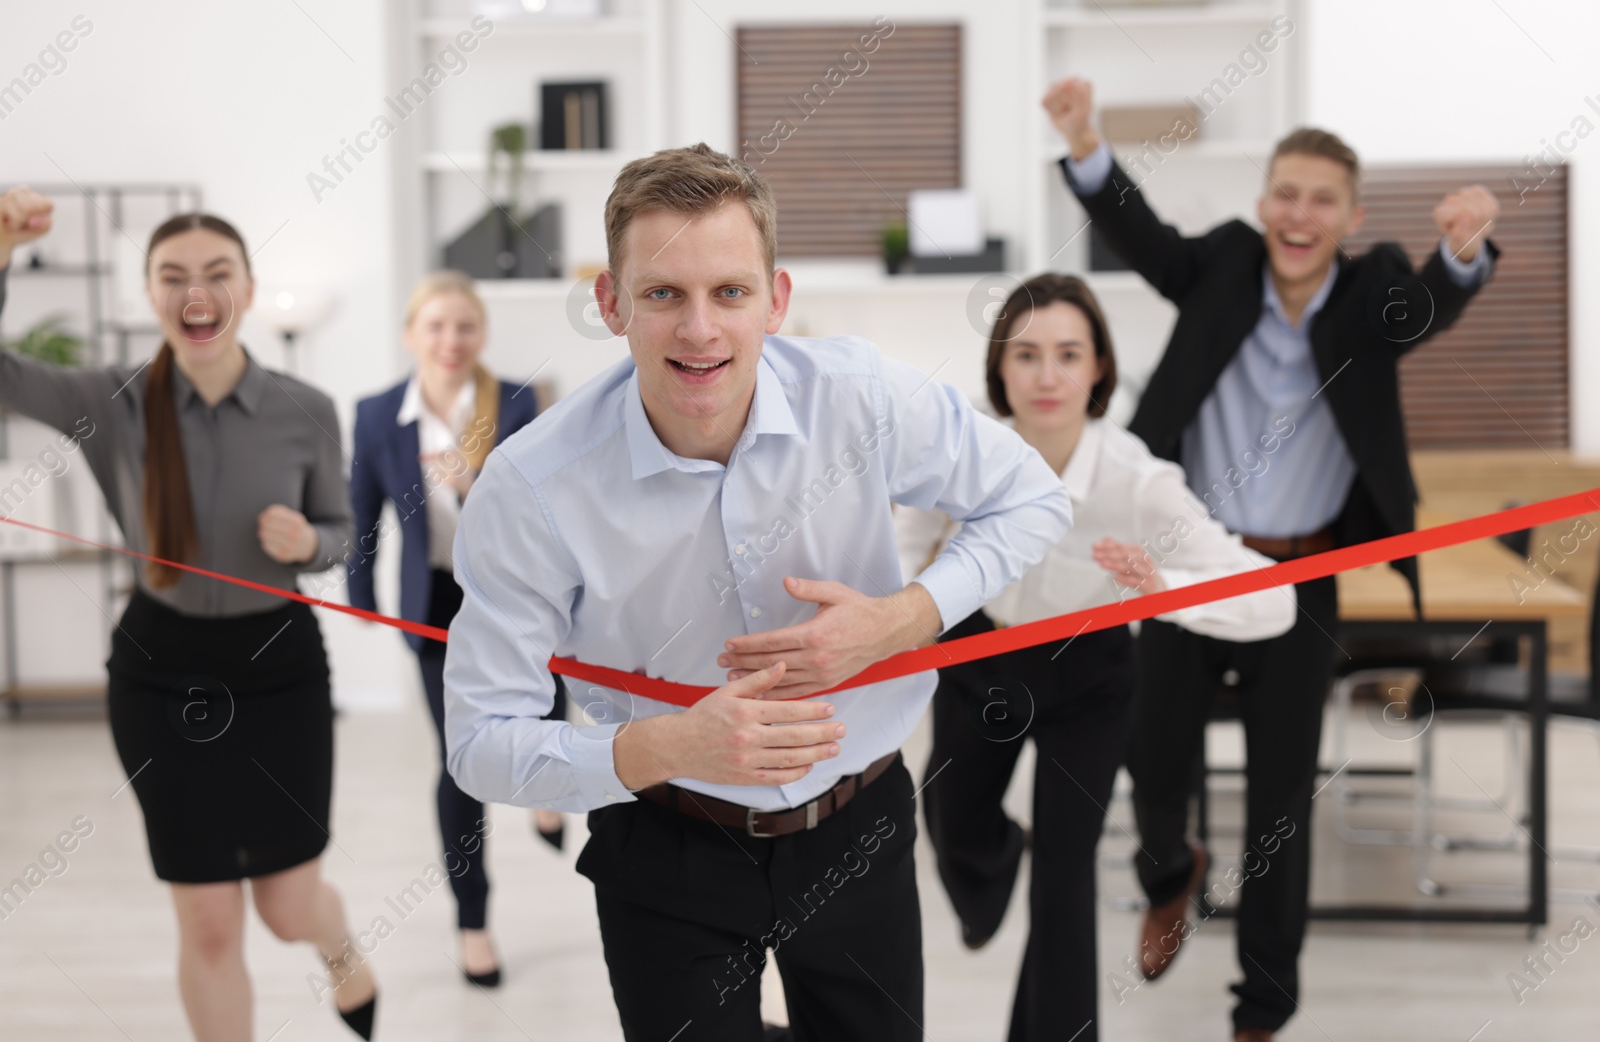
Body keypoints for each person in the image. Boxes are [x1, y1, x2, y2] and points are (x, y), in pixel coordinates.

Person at [440, 142, 1073, 1041]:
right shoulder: (532, 484)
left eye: (729, 292)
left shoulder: (860, 396)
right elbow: (478, 742)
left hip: (858, 828)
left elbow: (1033, 497)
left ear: (775, 300)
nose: (699, 329)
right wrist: (662, 744)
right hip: (662, 847)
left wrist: (903, 619)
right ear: (611, 304)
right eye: (663, 294)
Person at [1043, 77, 1501, 1041]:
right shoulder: (1222, 267)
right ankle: (1170, 872)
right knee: (1154, 766)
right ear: (1263, 203)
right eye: (1285, 193)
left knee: (1281, 800)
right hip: (1187, 565)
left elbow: (1429, 307)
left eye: (1322, 199)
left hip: (1303, 577)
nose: (1300, 215)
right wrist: (1086, 141)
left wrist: (1460, 255)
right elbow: (1145, 238)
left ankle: (1262, 1008)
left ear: (1352, 216)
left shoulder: (1375, 289)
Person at [0, 187, 377, 1040]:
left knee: (286, 907)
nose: (194, 291)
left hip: (278, 666)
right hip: (159, 673)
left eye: (216, 272)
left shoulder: (305, 408)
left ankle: (341, 947)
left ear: (245, 287)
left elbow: (343, 536)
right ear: (150, 293)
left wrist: (306, 540)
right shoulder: (110, 398)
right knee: (208, 919)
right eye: (173, 275)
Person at [896, 272, 1297, 1042]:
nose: (1047, 376)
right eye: (1027, 355)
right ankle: (991, 869)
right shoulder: (957, 452)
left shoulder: (1140, 481)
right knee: (950, 826)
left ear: (1099, 369)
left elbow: (1274, 599)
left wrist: (1165, 588)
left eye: (1069, 354)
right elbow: (904, 550)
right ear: (999, 370)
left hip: (1090, 678)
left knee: (1066, 881)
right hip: (981, 656)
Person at [346, 270, 563, 988]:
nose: (450, 340)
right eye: (435, 326)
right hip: (435, 600)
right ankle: (473, 923)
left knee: (547, 705)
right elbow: (363, 510)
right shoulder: (379, 413)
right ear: (411, 335)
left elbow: (546, 509)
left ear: (482, 335)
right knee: (461, 759)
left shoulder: (515, 401)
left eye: (464, 326)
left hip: (517, 593)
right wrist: (362, 597)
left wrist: (476, 484)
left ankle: (546, 790)